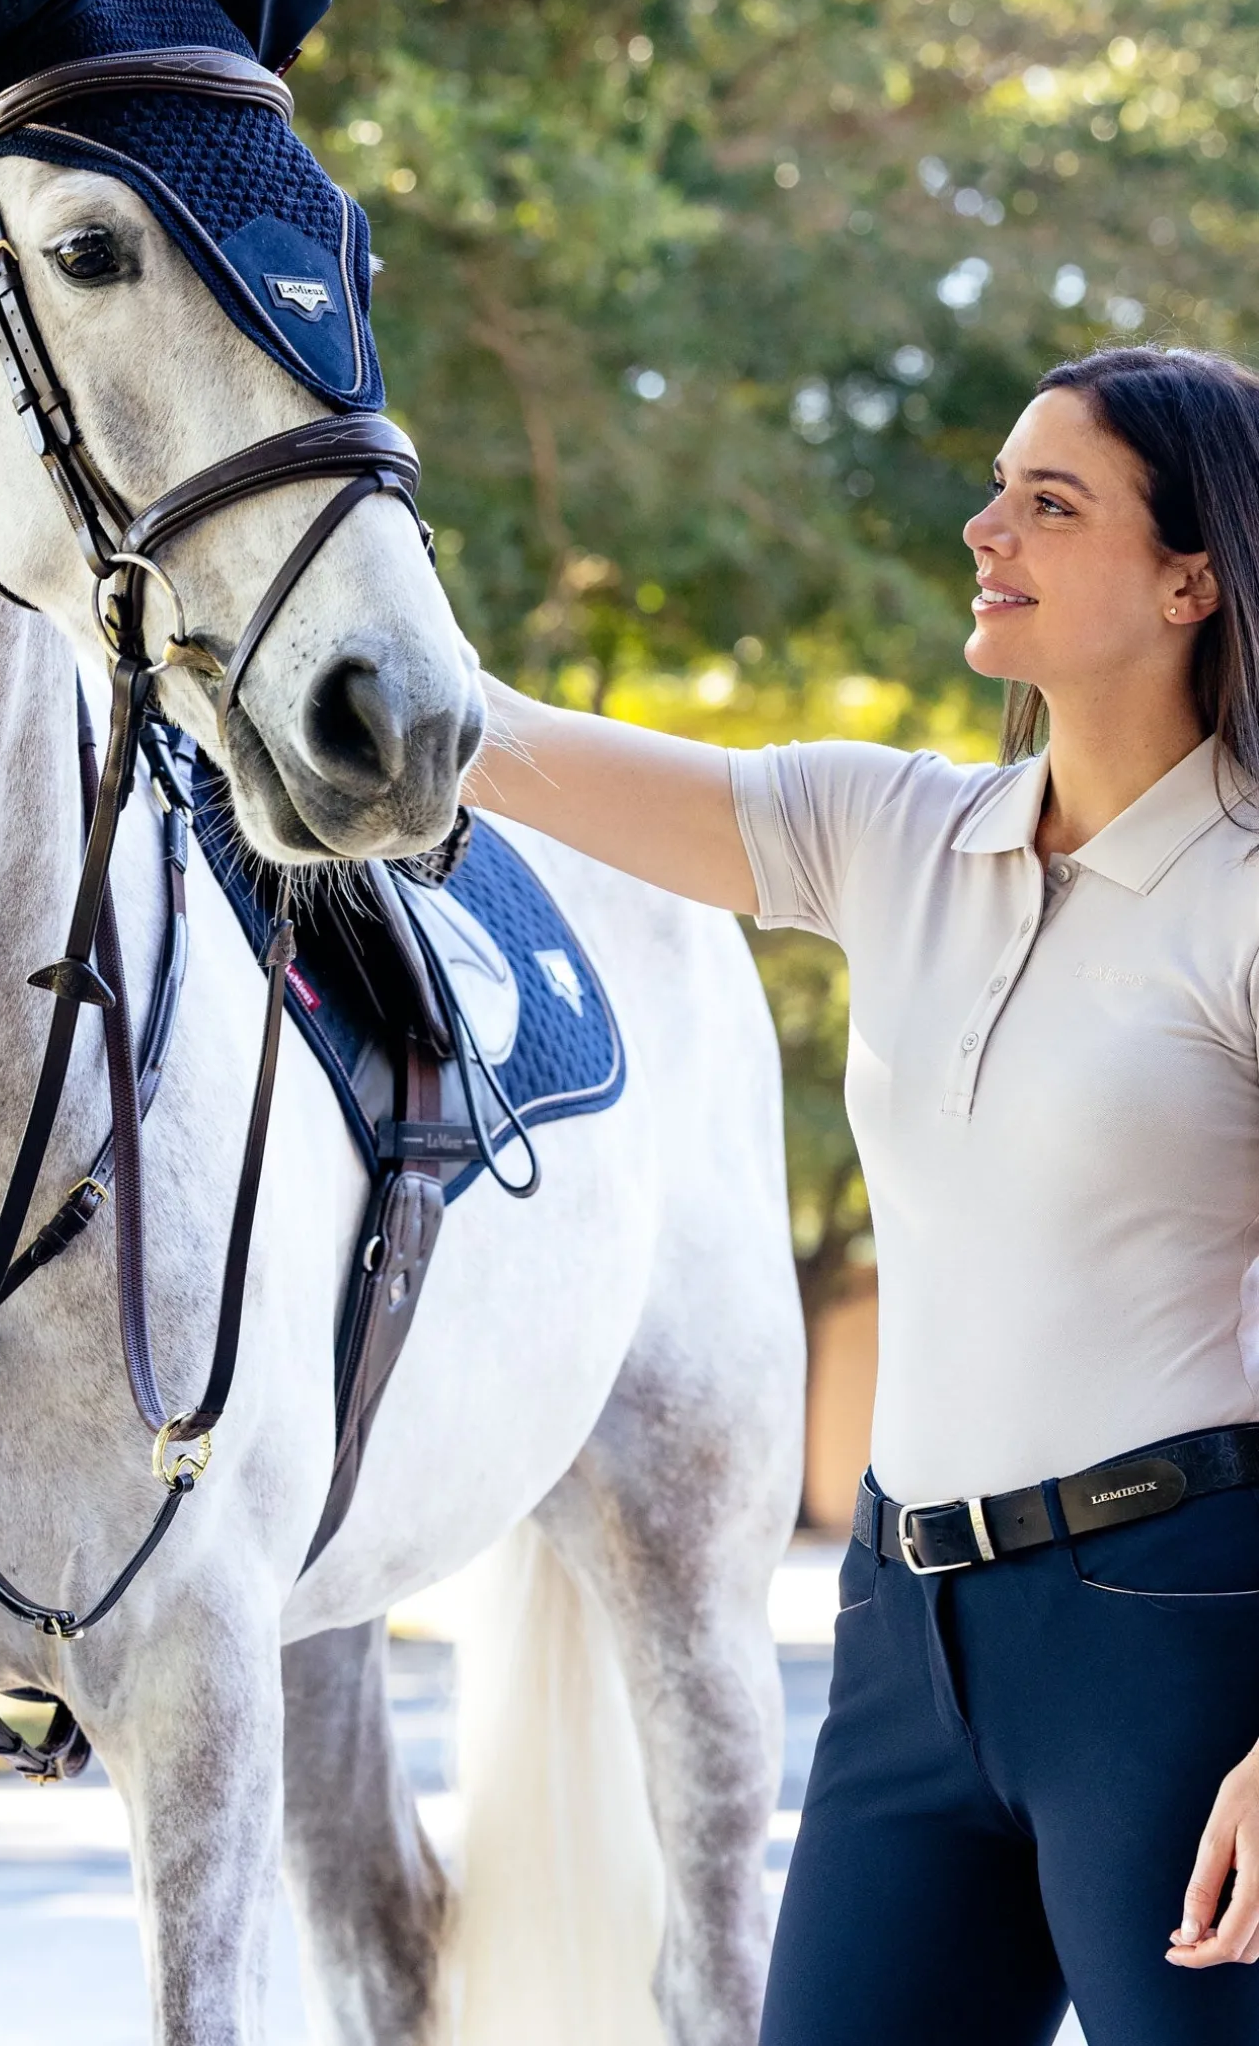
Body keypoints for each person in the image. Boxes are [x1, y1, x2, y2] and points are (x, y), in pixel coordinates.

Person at [464, 343, 1259, 2043]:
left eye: (1053, 503)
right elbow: (497, 747)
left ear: (1191, 580)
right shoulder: (893, 830)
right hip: (903, 1641)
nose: (988, 528)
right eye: (997, 487)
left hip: (1177, 1645)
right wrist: (295, 589)